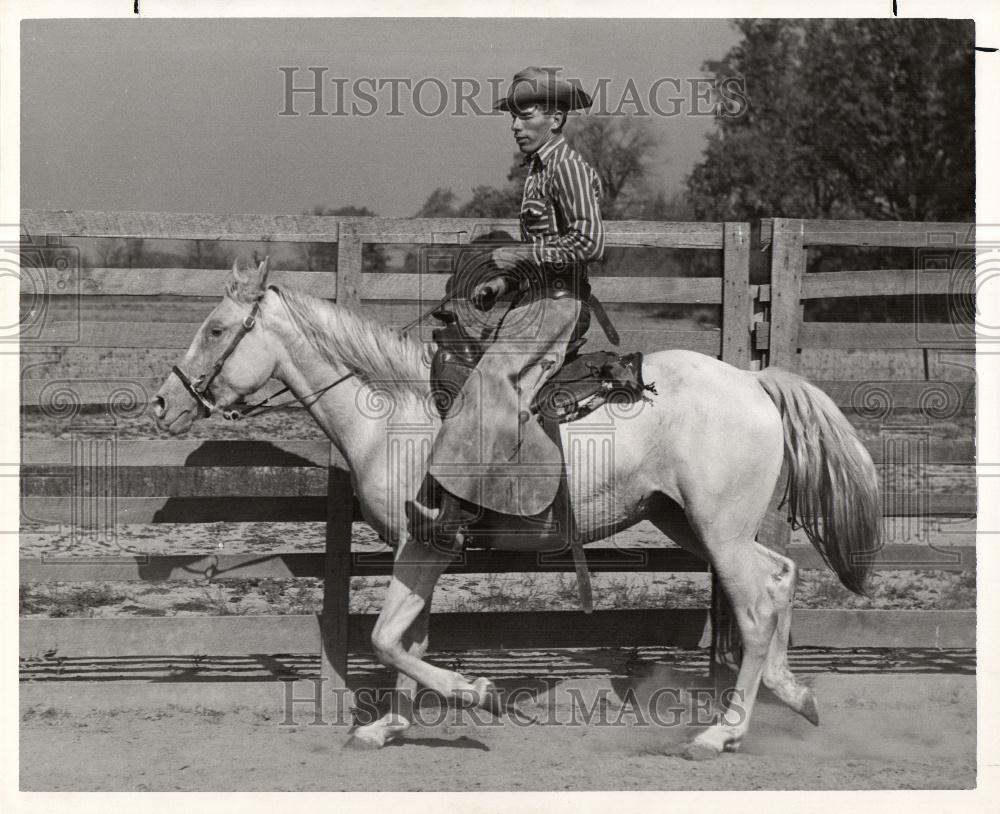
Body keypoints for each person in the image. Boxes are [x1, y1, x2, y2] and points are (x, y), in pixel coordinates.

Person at [409, 66, 605, 550]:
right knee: (462, 359)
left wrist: (521, 255)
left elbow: (590, 240)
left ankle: (461, 508)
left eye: (527, 115)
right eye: (513, 117)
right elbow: (547, 247)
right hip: (530, 300)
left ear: (557, 118)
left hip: (560, 305)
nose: (516, 125)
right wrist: (502, 283)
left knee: (494, 377)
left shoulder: (568, 168)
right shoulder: (538, 173)